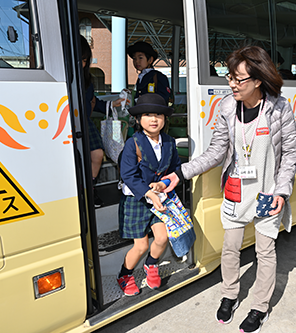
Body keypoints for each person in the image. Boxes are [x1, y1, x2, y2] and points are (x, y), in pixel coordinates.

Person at [162, 46, 296, 333]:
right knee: (230, 248)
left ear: (258, 80)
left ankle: (260, 306)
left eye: (239, 80)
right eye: (230, 78)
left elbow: (290, 152)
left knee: (265, 251)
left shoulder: (279, 108)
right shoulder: (227, 107)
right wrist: (180, 173)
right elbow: (215, 151)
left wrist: (282, 192)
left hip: (267, 193)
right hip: (237, 190)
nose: (232, 85)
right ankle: (230, 294)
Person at [116, 93, 182, 296]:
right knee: (141, 245)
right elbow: (127, 174)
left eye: (159, 115)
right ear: (138, 119)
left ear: (165, 119)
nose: (154, 119)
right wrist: (148, 193)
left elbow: (175, 168)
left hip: (159, 199)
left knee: (162, 237)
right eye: (147, 114)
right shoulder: (133, 143)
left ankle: (151, 266)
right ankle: (125, 274)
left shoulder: (170, 142)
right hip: (136, 200)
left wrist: (163, 183)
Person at [80, 35, 123, 208]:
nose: (83, 64)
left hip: (85, 122)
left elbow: (94, 102)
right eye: (80, 59)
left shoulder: (87, 80)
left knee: (97, 154)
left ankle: (89, 190)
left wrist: (113, 103)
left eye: (85, 60)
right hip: (65, 122)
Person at [127, 41, 172, 105]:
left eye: (140, 58)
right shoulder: (140, 77)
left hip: (154, 112)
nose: (137, 61)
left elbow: (164, 96)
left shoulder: (159, 76)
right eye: (134, 58)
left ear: (150, 60)